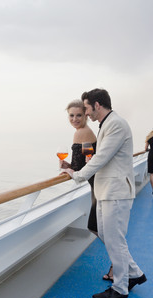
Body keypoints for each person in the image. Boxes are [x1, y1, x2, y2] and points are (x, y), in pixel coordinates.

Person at [63, 88, 146, 298]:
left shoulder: (116, 124)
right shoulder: (107, 124)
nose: (86, 113)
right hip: (106, 190)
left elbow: (102, 158)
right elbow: (101, 157)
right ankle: (135, 273)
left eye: (87, 109)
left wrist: (77, 175)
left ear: (97, 105)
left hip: (116, 192)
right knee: (107, 235)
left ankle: (120, 288)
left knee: (114, 240)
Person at [59, 101, 114, 280]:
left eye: (79, 115)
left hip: (99, 186)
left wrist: (68, 169)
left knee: (99, 228)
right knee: (98, 227)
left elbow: (78, 167)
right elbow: (84, 161)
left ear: (85, 116)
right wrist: (70, 166)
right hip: (98, 184)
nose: (75, 119)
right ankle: (119, 264)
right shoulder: (86, 132)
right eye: (71, 115)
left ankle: (121, 264)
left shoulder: (81, 133)